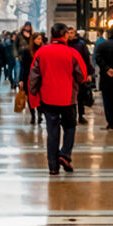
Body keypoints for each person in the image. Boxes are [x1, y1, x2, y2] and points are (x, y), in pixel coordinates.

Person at [27, 23, 87, 175]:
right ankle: (65, 154)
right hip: (68, 98)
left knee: (52, 132)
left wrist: (33, 92)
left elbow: (34, 75)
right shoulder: (72, 53)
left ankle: (53, 167)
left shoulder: (41, 52)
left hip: (48, 98)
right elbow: (82, 75)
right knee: (69, 127)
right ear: (65, 35)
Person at [18, 32, 46, 124]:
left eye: (40, 39)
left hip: (41, 77)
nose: (40, 41)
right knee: (30, 97)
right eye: (38, 39)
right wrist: (21, 79)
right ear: (33, 40)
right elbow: (23, 65)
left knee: (41, 96)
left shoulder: (44, 49)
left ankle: (39, 115)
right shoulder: (27, 51)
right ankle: (33, 115)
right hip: (28, 76)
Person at [68, 31, 95, 125]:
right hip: (68, 74)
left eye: (71, 33)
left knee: (80, 96)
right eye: (68, 33)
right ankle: (72, 116)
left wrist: (89, 73)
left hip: (79, 73)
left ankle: (80, 115)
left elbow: (86, 59)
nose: (70, 35)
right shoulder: (65, 44)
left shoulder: (81, 44)